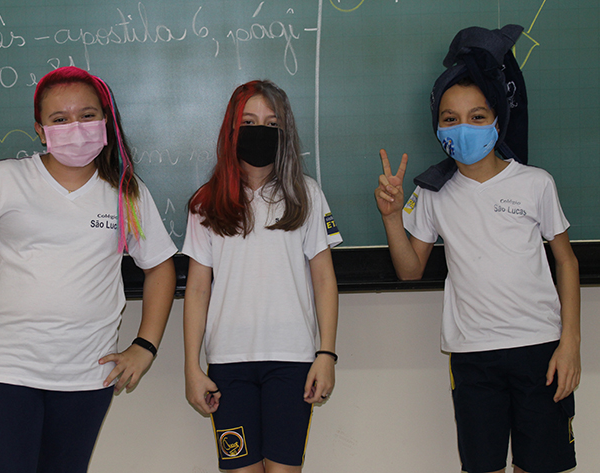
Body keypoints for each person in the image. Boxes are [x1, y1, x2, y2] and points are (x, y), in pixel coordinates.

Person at [0, 66, 177, 472]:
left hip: (86, 373)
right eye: (60, 119)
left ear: (105, 120)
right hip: (7, 368)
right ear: (40, 130)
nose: (75, 127)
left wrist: (145, 346)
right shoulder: (5, 178)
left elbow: (159, 266)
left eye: (87, 115)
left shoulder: (126, 193)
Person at [375, 26, 580, 473]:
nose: (464, 128)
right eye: (450, 119)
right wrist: (391, 217)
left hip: (540, 349)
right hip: (474, 355)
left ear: (497, 121)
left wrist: (570, 343)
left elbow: (566, 260)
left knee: (542, 464)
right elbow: (410, 270)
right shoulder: (432, 192)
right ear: (438, 127)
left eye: (477, 116)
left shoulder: (535, 183)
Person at [182, 80, 342, 473]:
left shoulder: (306, 195)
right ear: (231, 131)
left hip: (292, 361)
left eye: (272, 124)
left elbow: (324, 280)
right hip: (228, 363)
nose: (260, 131)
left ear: (285, 133)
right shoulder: (206, 203)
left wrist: (326, 354)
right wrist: (191, 366)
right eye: (249, 122)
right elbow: (198, 289)